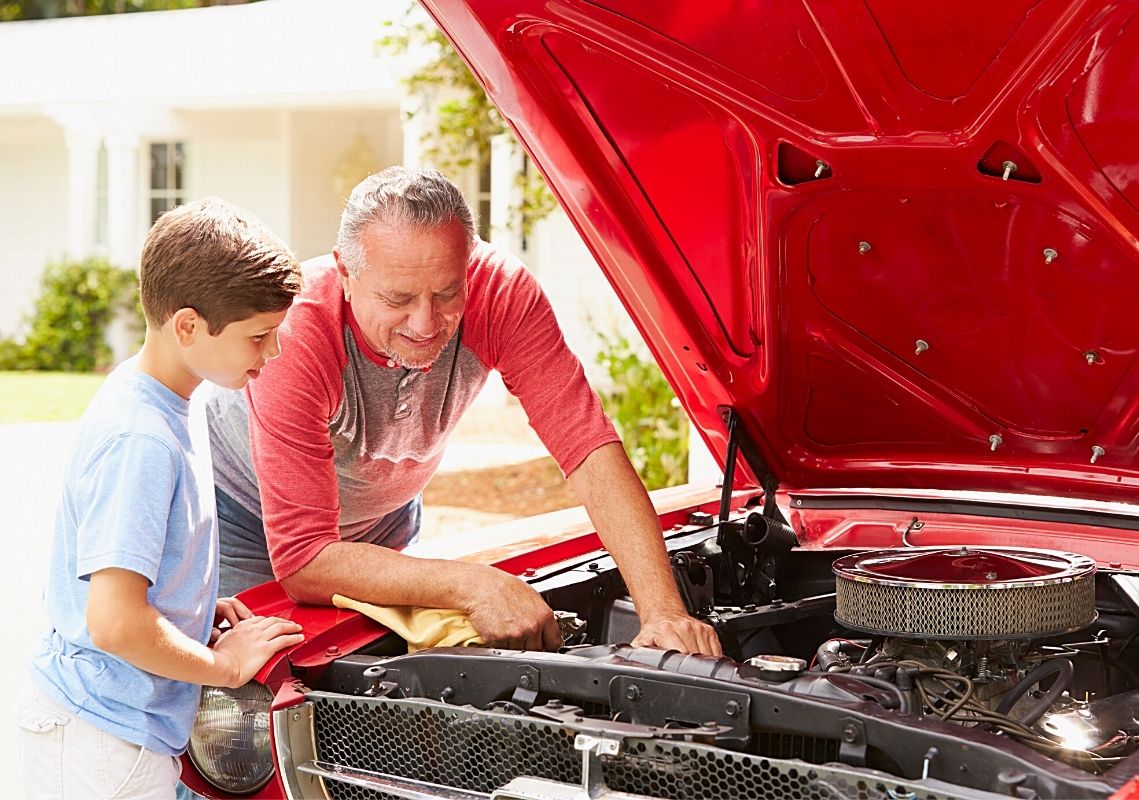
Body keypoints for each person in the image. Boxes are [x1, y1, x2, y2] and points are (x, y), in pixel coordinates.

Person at [207, 166, 721, 656]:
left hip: (382, 519)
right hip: (243, 516)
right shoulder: (298, 332)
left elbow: (587, 448)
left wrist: (661, 614)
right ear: (345, 271)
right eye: (398, 298)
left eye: (448, 291)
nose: (426, 322)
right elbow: (303, 558)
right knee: (249, 694)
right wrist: (470, 583)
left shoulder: (501, 296)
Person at [16, 198, 307, 800]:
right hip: (103, 741)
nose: (272, 354)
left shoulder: (170, 398)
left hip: (119, 730)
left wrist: (190, 606)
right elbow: (117, 622)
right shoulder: (141, 438)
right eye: (259, 337)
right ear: (189, 326)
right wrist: (226, 668)